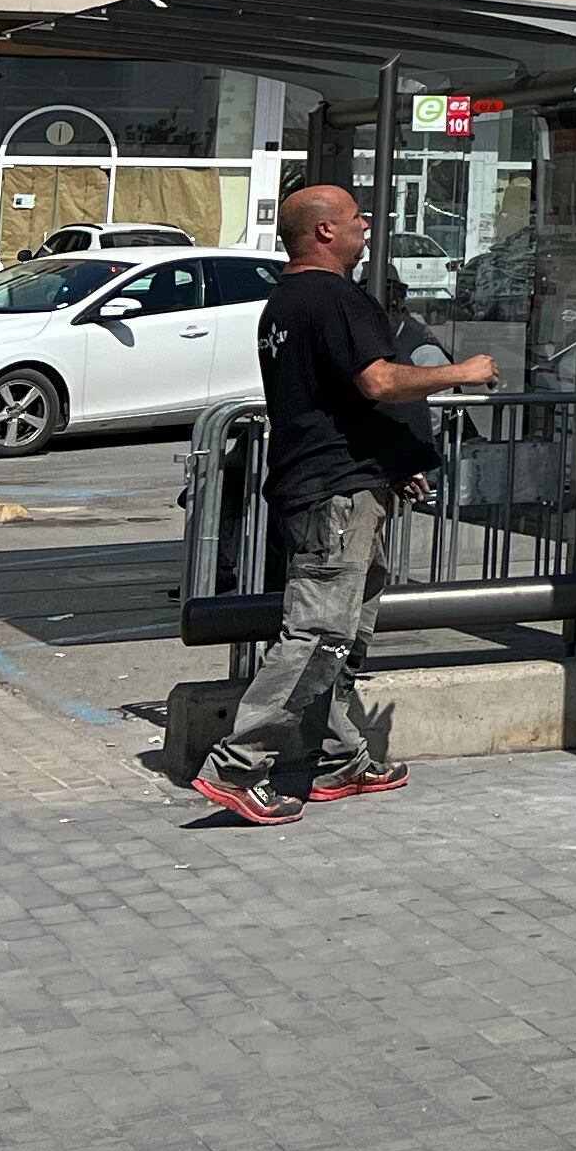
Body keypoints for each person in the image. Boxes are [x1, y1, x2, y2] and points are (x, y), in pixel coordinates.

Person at [190, 185, 494, 827]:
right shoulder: (331, 297)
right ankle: (238, 765)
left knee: (343, 631)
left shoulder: (285, 302)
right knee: (321, 631)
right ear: (325, 231)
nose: (366, 229)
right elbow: (377, 381)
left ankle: (343, 760)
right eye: (357, 220)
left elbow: (333, 404)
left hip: (337, 482)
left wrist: (395, 465)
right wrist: (458, 372)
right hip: (334, 495)